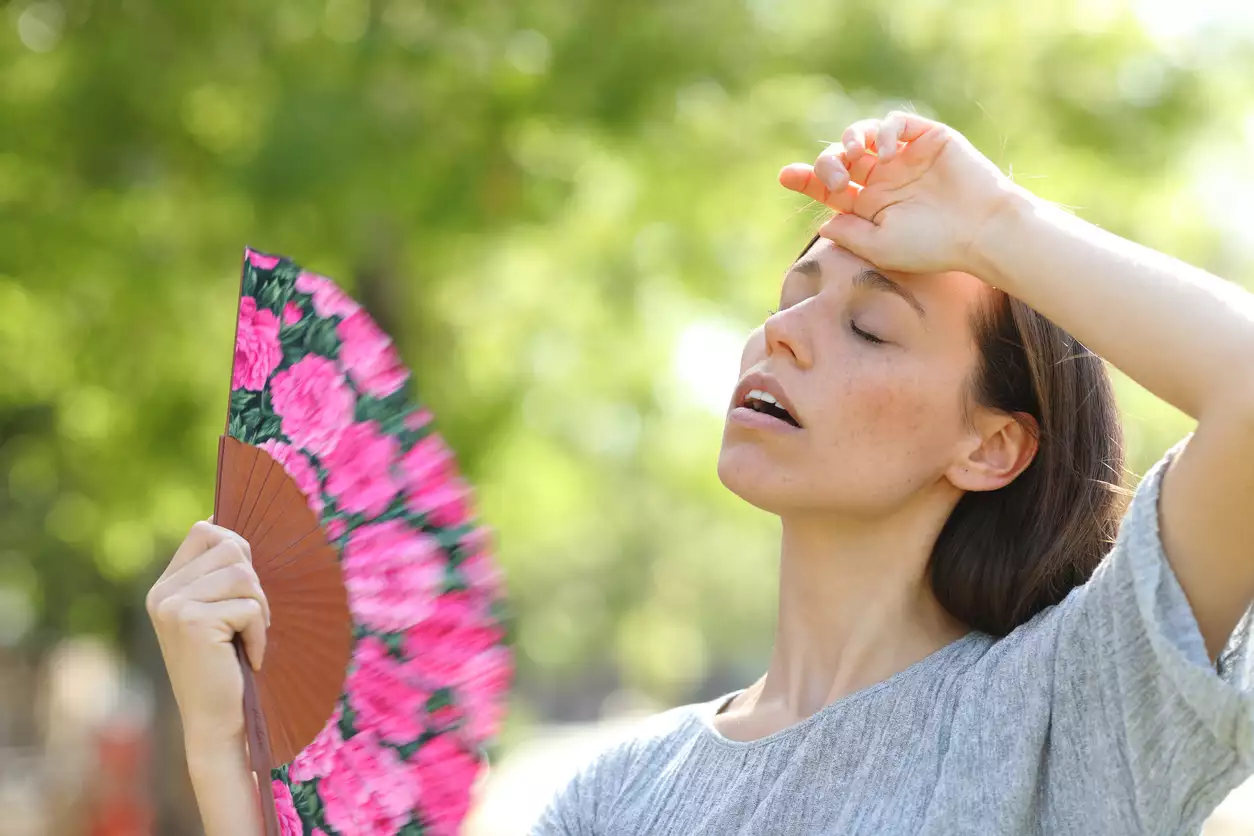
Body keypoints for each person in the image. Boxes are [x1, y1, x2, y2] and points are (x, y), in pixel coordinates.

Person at [148, 112, 1254, 835]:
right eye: (791, 295)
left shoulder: (1072, 705)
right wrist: (221, 743)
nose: (787, 336)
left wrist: (993, 223)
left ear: (992, 444)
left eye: (871, 324)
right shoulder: (618, 797)